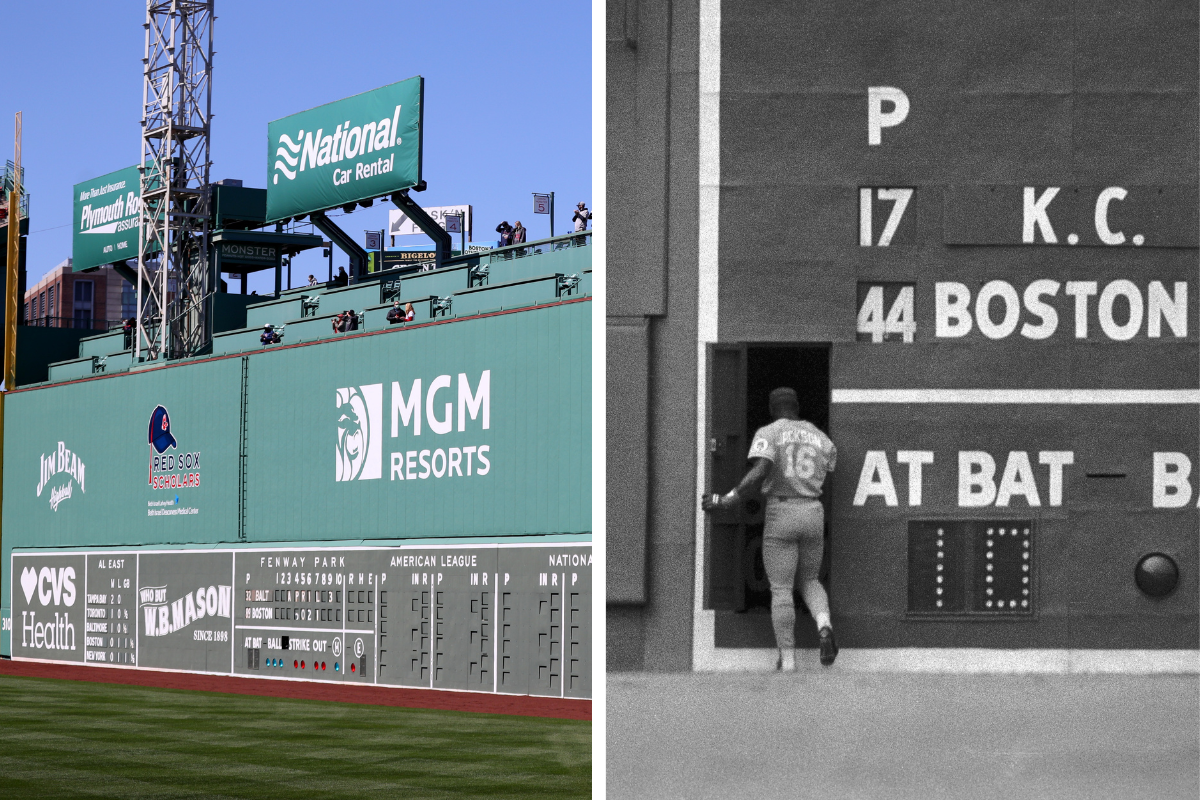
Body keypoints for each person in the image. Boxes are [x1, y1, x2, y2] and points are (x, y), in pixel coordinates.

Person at [701, 387, 838, 671]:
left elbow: (762, 468)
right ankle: (824, 626)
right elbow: (830, 468)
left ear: (772, 408)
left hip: (782, 510)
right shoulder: (820, 437)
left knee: (781, 589)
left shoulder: (769, 431)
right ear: (797, 406)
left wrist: (728, 498)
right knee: (811, 580)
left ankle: (788, 660)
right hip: (813, 509)